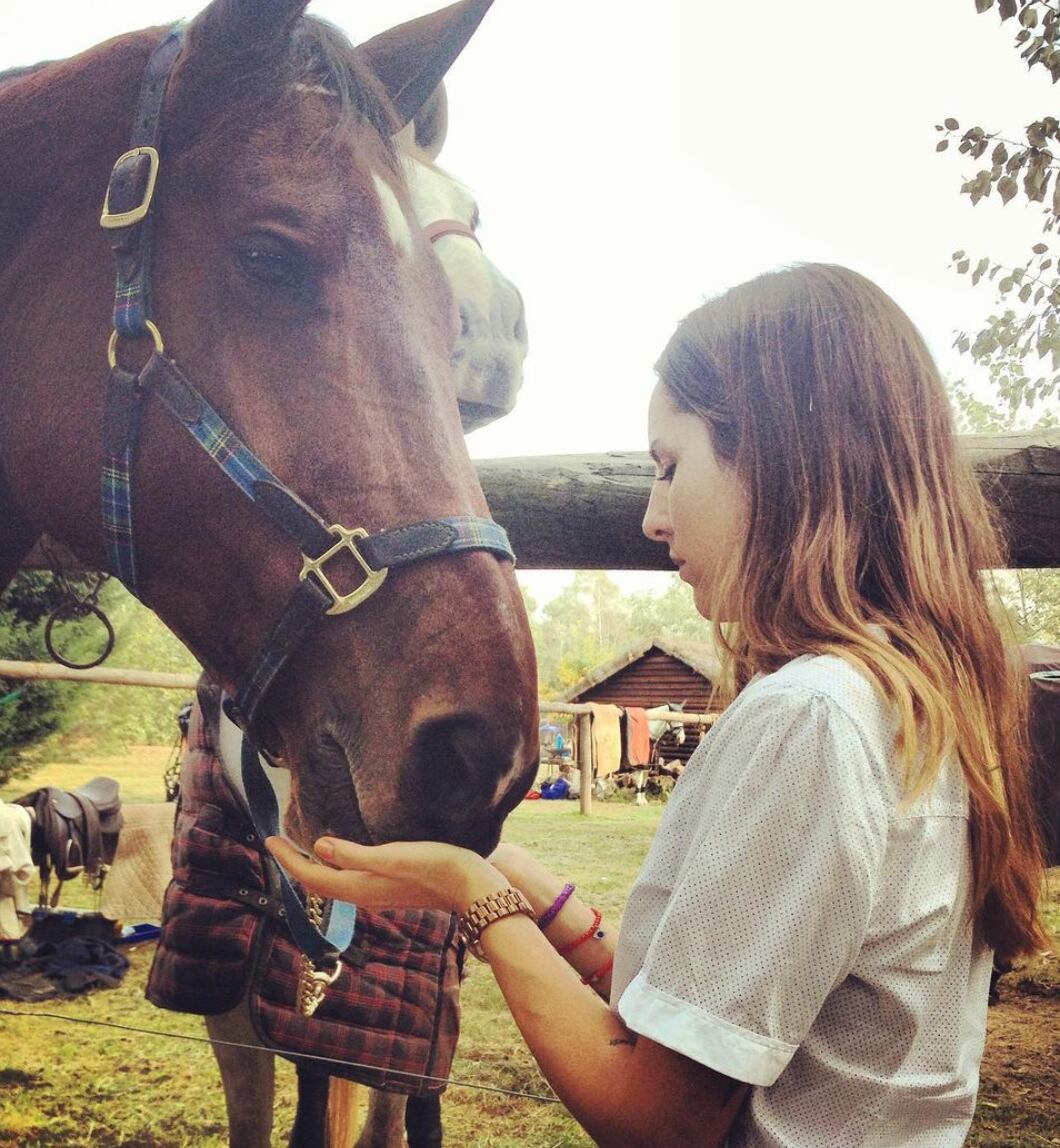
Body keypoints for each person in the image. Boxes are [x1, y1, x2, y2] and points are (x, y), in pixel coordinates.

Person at [269, 264, 1049, 1148]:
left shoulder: (811, 718)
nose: (652, 516)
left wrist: (471, 895)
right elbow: (705, 1018)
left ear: (781, 457)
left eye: (672, 467)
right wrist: (503, 867)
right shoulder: (923, 703)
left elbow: (655, 1117)